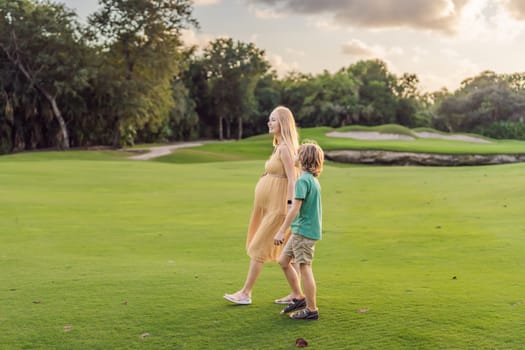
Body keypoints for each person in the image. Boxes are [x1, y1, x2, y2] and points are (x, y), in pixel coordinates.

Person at [224, 106, 300, 305]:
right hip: (270, 206)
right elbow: (280, 173)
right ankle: (297, 294)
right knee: (288, 254)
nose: (269, 122)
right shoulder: (279, 146)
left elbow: (293, 179)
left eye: (273, 120)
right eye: (269, 119)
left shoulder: (285, 149)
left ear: (283, 123)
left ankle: (246, 293)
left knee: (259, 247)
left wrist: (290, 205)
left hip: (279, 208)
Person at [273, 141, 324, 320]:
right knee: (283, 261)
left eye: (298, 153)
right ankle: (299, 296)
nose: (294, 156)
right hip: (301, 231)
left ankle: (311, 309)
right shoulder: (312, 180)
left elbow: (294, 209)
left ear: (303, 159)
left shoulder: (302, 181)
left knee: (305, 268)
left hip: (303, 232)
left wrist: (281, 231)